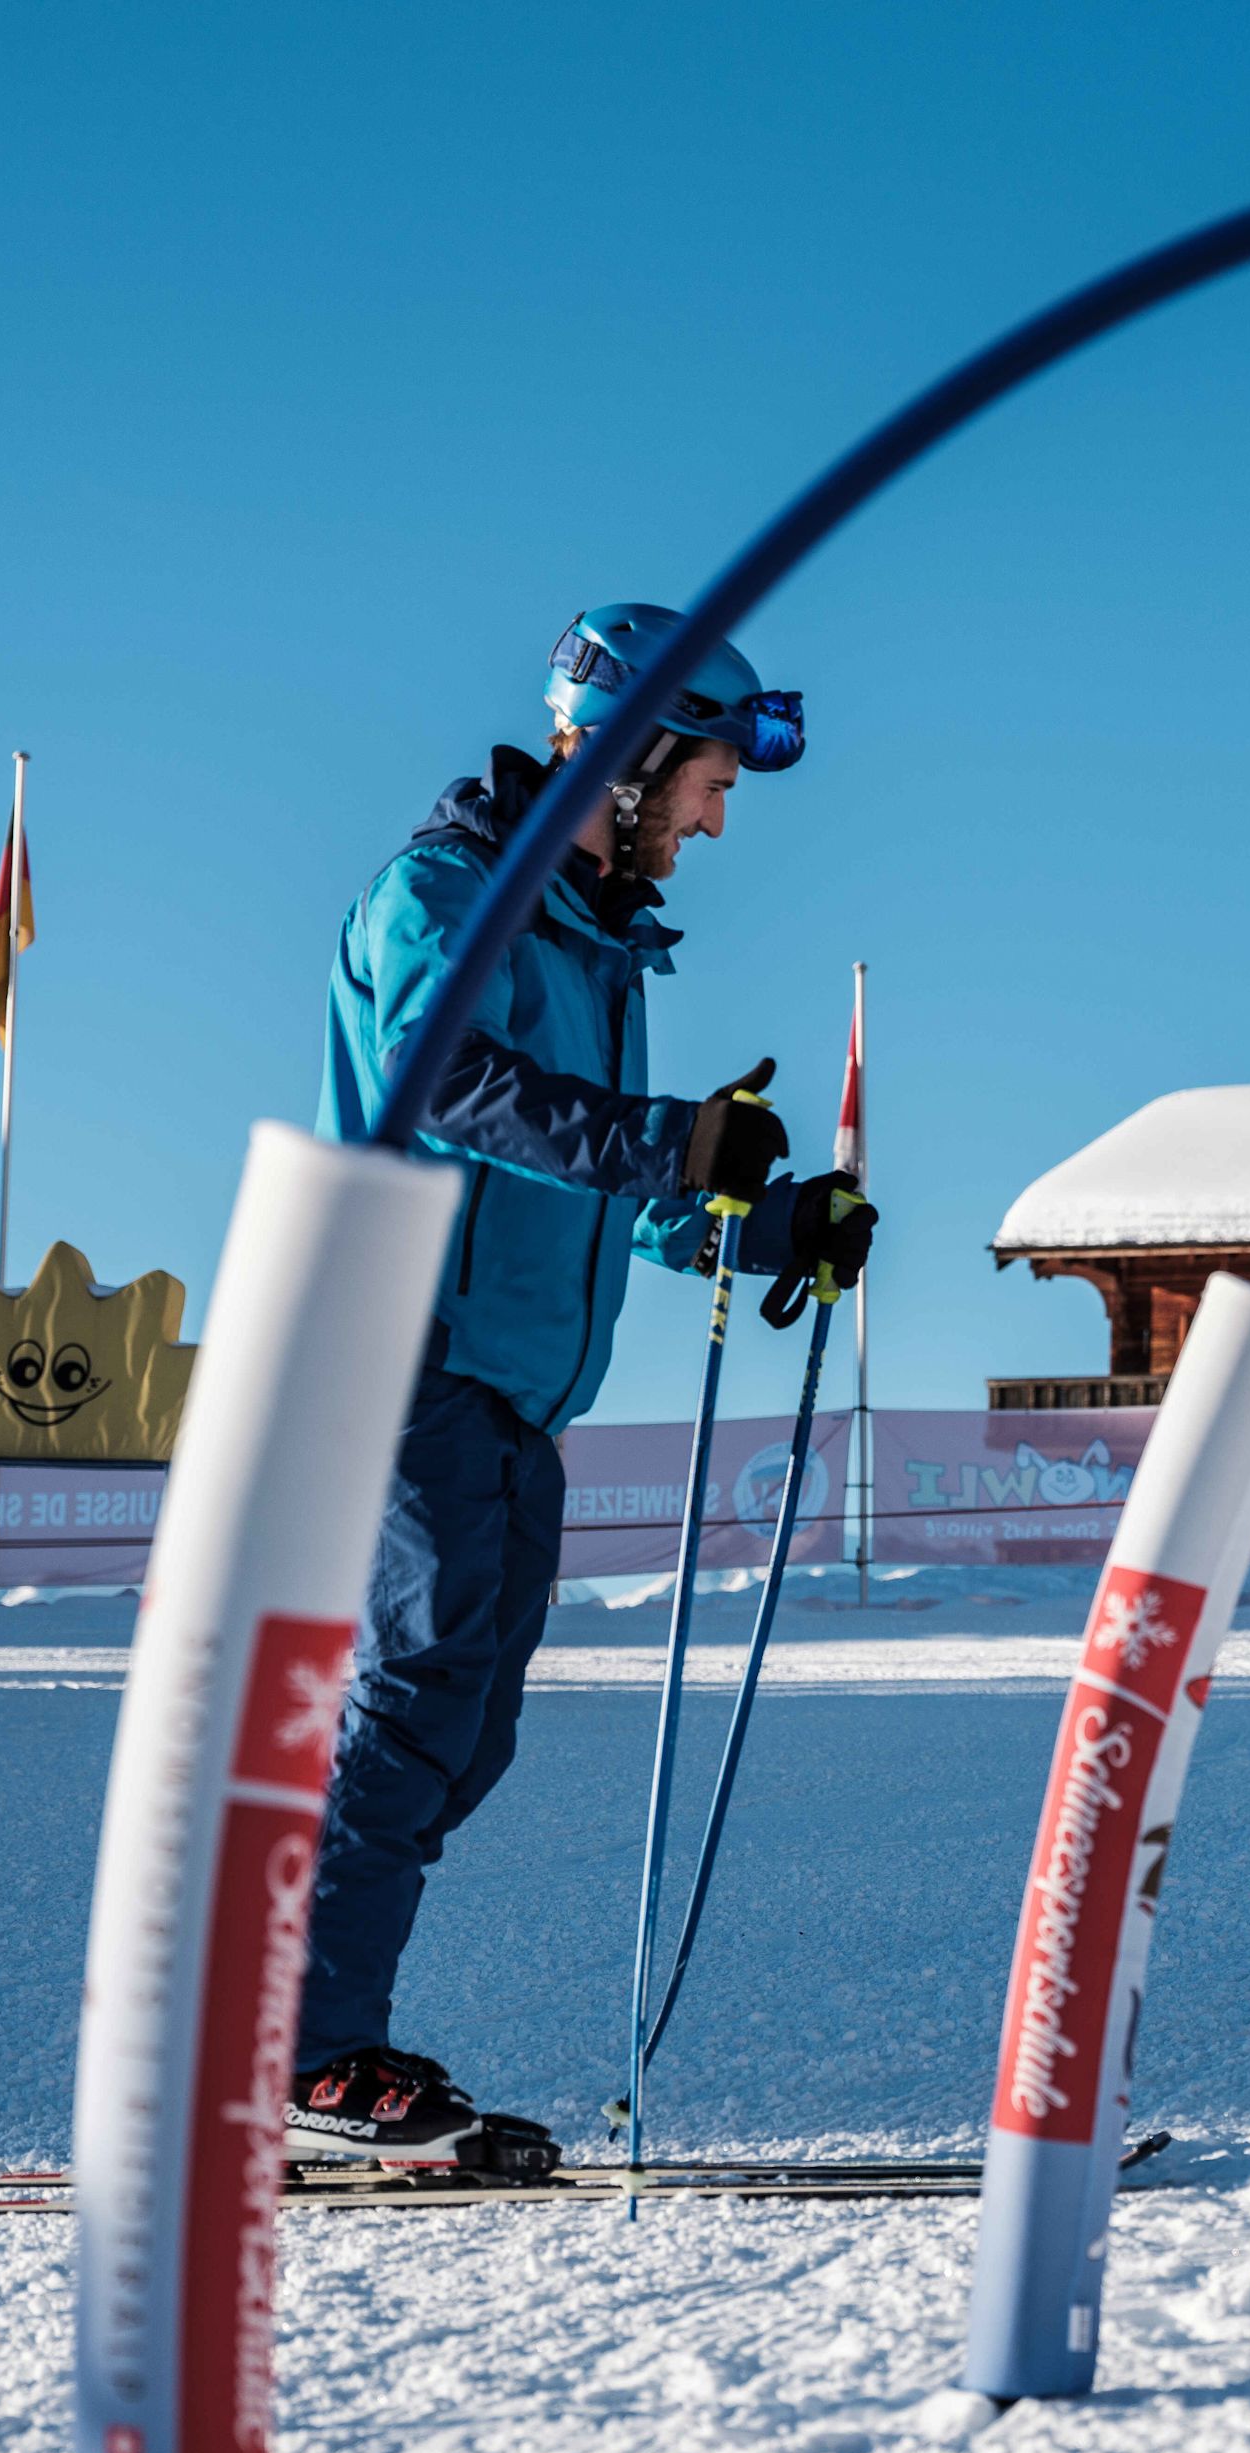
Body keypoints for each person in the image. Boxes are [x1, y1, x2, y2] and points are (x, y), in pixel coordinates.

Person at [295, 605, 877, 2173]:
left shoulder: (602, 952)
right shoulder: (443, 898)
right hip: (409, 1350)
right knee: (418, 1701)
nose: (718, 816)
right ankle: (300, 2049)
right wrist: (662, 1137)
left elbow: (618, 1174)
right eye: (707, 783)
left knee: (463, 1725)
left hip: (512, 1392)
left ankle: (304, 2033)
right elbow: (458, 1089)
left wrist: (761, 1215)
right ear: (628, 764)